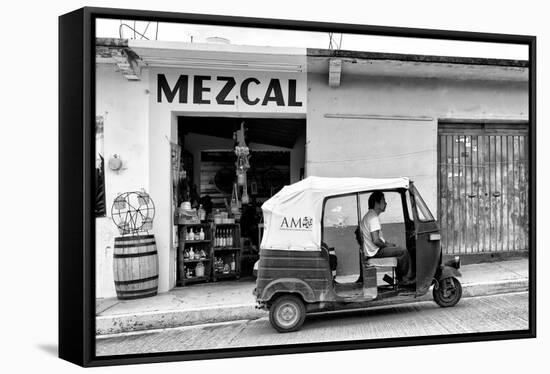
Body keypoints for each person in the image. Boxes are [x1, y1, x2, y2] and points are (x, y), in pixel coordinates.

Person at [360, 191, 415, 285]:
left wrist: (389, 245)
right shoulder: (373, 218)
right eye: (383, 201)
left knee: (396, 247)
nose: (386, 203)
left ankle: (400, 278)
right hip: (375, 252)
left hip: (373, 251)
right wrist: (386, 246)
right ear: (377, 203)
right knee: (403, 251)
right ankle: (406, 279)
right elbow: (376, 240)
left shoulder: (370, 215)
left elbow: (379, 239)